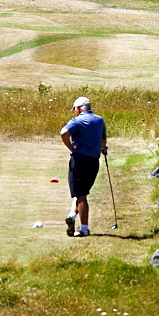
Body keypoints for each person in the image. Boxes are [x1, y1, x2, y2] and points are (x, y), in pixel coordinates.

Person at [60, 96, 106, 237]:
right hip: (93, 161)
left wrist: (71, 147)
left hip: (79, 160)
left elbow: (63, 133)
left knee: (80, 196)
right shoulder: (99, 120)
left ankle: (84, 229)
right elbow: (103, 142)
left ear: (79, 109)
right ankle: (72, 216)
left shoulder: (77, 120)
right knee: (82, 192)